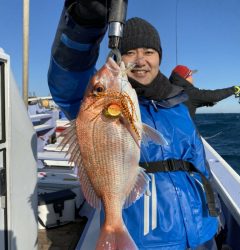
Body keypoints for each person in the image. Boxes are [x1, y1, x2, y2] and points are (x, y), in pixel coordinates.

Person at [48, 1, 220, 249]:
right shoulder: (93, 105)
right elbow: (66, 79)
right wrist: (81, 26)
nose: (140, 60)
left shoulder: (178, 106)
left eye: (149, 51)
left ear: (160, 56)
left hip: (202, 233)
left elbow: (199, 165)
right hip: (145, 241)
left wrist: (214, 216)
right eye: (130, 52)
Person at [169, 65, 240, 118]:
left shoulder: (168, 91)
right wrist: (233, 89)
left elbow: (185, 104)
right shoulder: (188, 92)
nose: (192, 78)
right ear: (185, 78)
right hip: (182, 135)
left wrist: (206, 103)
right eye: (190, 76)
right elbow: (214, 96)